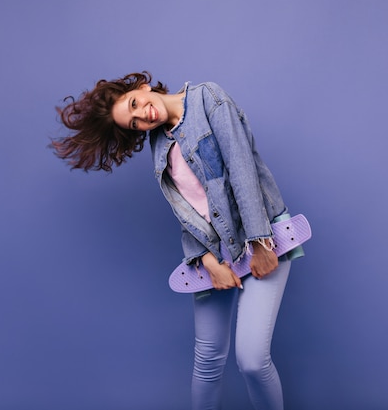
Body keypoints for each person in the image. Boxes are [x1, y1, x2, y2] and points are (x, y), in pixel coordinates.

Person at [51, 71, 303, 410]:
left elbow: (242, 170)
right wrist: (208, 260)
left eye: (135, 104)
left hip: (262, 237)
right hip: (213, 253)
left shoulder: (207, 98)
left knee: (252, 361)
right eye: (134, 123)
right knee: (208, 361)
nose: (143, 116)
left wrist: (260, 243)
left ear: (140, 88)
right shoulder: (159, 145)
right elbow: (187, 212)